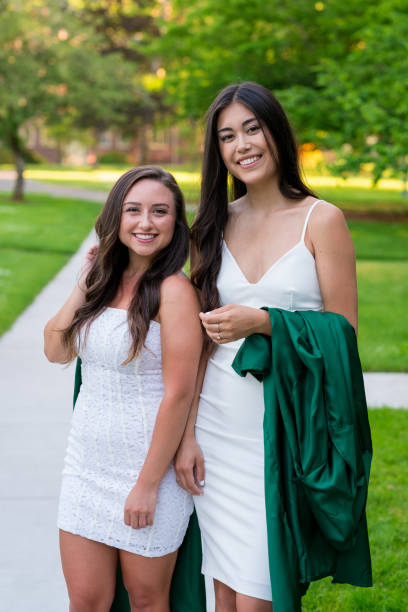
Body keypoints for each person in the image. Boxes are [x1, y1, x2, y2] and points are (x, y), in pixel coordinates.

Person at [175, 82, 358, 611]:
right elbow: (196, 349)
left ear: (276, 132)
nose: (242, 145)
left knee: (260, 591)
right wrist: (185, 437)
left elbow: (343, 335)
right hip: (213, 427)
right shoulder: (211, 227)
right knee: (225, 592)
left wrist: (265, 322)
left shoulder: (321, 220)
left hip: (280, 428)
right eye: (227, 136)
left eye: (252, 128)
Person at [44, 166, 203, 612]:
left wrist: (148, 485)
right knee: (86, 602)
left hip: (147, 471)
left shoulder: (174, 292)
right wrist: (85, 279)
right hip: (85, 467)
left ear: (176, 222)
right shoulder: (101, 284)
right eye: (133, 210)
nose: (145, 223)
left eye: (160, 211)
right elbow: (55, 350)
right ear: (116, 217)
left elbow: (179, 393)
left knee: (148, 601)